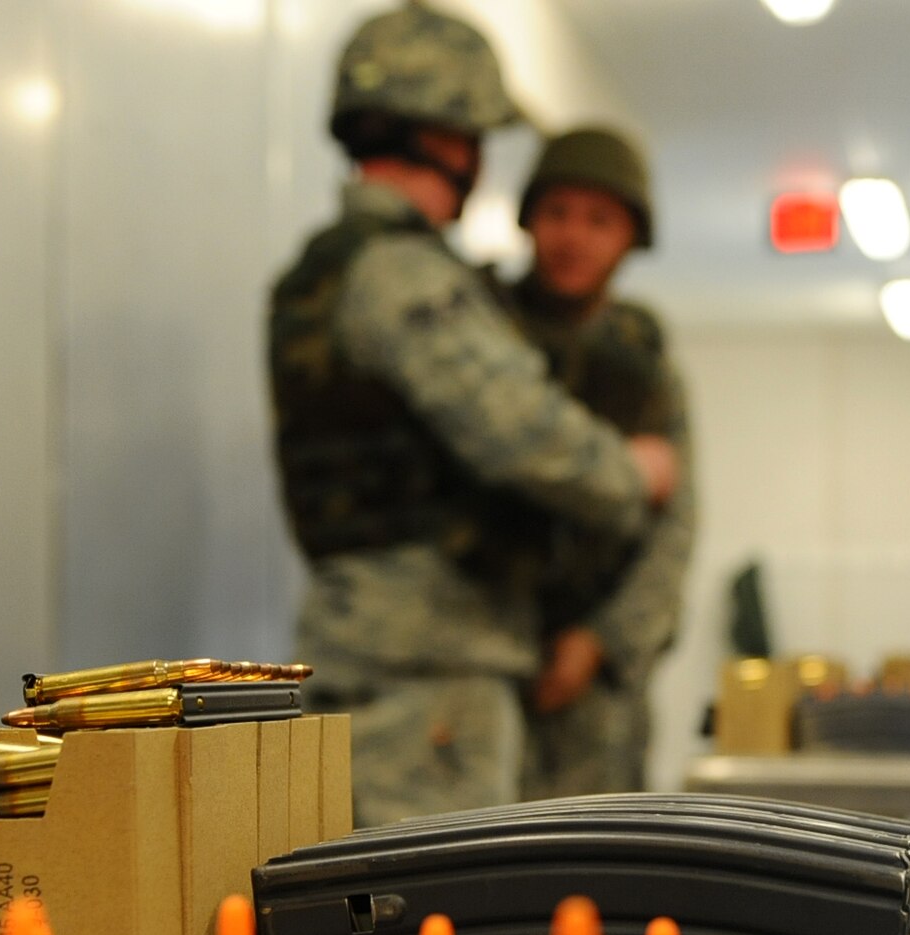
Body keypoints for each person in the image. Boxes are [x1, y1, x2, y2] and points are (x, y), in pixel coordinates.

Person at [267, 5, 680, 827]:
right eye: (476, 139)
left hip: (381, 659)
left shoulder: (321, 273)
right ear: (444, 139)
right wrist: (634, 470)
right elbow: (527, 435)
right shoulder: (404, 274)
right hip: (430, 680)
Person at [508, 127, 696, 798]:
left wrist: (599, 642)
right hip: (491, 661)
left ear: (629, 236)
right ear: (529, 218)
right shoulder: (487, 334)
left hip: (601, 688)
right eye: (557, 213)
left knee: (596, 872)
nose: (572, 237)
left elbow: (674, 529)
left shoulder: (642, 361)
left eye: (599, 220)